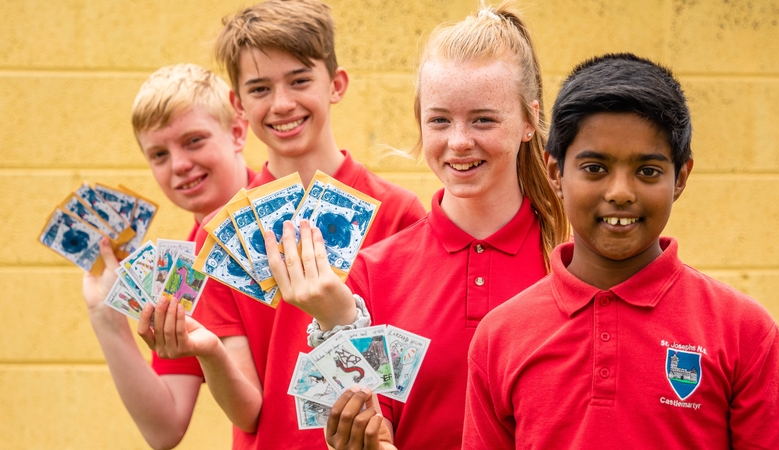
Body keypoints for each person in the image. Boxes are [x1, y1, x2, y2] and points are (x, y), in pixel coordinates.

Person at [266, 3, 570, 449]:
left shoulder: (572, 264)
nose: (459, 141)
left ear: (529, 120)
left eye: (483, 118)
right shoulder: (374, 273)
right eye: (440, 120)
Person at [462, 53, 779, 449]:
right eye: (594, 168)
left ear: (681, 178)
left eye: (648, 171)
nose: (620, 192)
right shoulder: (500, 336)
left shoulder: (744, 332)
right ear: (556, 172)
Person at [135, 1, 426, 449]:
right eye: (260, 88)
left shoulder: (398, 214)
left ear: (336, 84)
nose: (282, 103)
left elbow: (410, 380)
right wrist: (207, 350)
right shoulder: (220, 233)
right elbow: (249, 410)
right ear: (238, 105)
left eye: (300, 80)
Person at [81, 63, 253, 449]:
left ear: (238, 132)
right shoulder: (183, 274)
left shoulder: (298, 211)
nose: (179, 165)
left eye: (193, 141)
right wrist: (105, 318)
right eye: (159, 154)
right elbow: (165, 428)